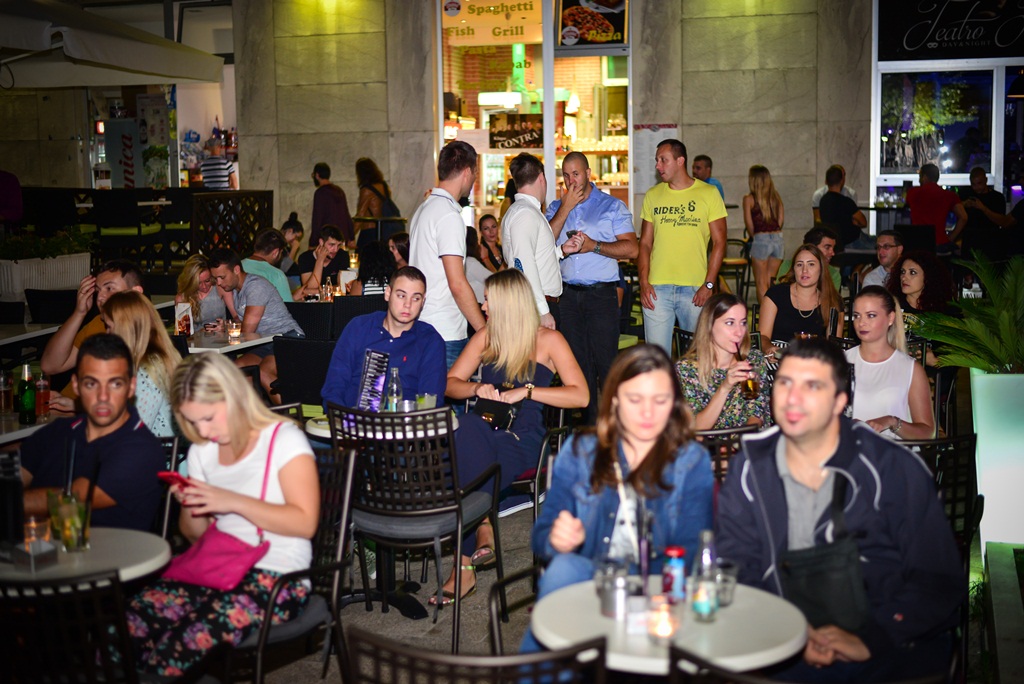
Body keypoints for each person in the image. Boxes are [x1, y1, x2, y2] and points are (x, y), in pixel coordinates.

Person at [717, 338, 962, 682]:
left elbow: (937, 580)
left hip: (884, 644)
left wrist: (872, 638)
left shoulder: (891, 468)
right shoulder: (750, 467)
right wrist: (788, 632)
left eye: (812, 386)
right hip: (783, 641)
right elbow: (737, 567)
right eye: (785, 383)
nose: (793, 398)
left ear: (839, 402)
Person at [126, 352, 319, 676]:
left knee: (180, 644)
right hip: (219, 564)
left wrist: (229, 500)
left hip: (278, 575)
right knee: (130, 623)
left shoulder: (283, 440)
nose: (204, 429)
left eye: (209, 417)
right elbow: (196, 535)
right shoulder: (204, 450)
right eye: (193, 421)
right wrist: (191, 503)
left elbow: (305, 522)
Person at [520, 344, 714, 653]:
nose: (647, 413)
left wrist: (661, 597)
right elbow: (541, 536)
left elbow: (691, 550)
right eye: (635, 400)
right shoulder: (581, 451)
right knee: (562, 568)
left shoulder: (691, 461)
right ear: (615, 402)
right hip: (594, 572)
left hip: (657, 580)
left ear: (675, 404)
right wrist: (557, 539)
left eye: (660, 400)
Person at [442, 269, 588, 605]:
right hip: (481, 430)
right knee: (468, 428)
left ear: (508, 303)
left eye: (489, 299)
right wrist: (477, 387)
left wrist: (529, 391)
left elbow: (581, 396)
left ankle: (469, 551)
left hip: (522, 439)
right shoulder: (486, 337)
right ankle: (480, 531)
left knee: (464, 455)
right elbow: (450, 384)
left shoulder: (549, 340)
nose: (483, 304)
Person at [20, 334, 164, 532]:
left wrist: (9, 502)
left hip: (110, 560)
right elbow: (14, 476)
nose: (102, 396)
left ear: (131, 387)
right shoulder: (57, 432)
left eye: (115, 384)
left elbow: (71, 500)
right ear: (76, 385)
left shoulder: (143, 450)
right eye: (91, 384)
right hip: (34, 555)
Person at [545, 151, 638, 422]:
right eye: (565, 175)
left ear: (588, 173)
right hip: (568, 296)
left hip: (601, 295)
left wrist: (593, 246)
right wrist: (565, 206)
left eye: (576, 173)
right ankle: (588, 425)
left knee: (606, 362)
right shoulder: (555, 207)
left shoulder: (611, 206)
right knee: (577, 363)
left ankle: (612, 425)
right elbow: (545, 242)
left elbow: (632, 248)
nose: (571, 180)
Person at [639, 139, 728, 353]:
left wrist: (708, 285)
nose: (658, 166)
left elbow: (720, 242)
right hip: (656, 290)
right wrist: (643, 282)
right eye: (657, 160)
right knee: (656, 360)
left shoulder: (708, 193)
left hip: (695, 290)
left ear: (680, 161)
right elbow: (644, 243)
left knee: (697, 359)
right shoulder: (653, 195)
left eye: (663, 160)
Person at [322, 266, 445, 410]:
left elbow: (431, 401)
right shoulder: (359, 328)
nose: (408, 304)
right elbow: (334, 387)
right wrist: (344, 422)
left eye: (416, 298)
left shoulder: (430, 341)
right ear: (388, 293)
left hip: (407, 426)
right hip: (352, 423)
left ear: (423, 302)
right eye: (401, 295)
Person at [408, 141, 486, 368]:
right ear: (467, 172)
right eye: (475, 174)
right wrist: (483, 331)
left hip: (422, 322)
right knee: (451, 400)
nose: (474, 181)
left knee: (430, 400)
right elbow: (458, 283)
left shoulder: (424, 208)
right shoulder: (448, 216)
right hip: (445, 330)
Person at [41, 260, 146, 401]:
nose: (100, 297)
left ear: (135, 293)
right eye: (97, 291)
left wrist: (75, 409)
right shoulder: (98, 323)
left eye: (109, 289)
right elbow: (49, 366)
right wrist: (79, 312)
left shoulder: (143, 333)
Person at [208, 249, 305, 398]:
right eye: (216, 279)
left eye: (222, 277)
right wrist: (227, 326)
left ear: (236, 270)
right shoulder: (235, 289)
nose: (219, 283)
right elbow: (242, 323)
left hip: (288, 338)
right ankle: (252, 416)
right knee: (236, 371)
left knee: (264, 372)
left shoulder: (255, 286)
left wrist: (227, 330)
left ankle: (289, 417)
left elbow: (247, 331)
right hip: (264, 342)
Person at [846, 286, 934, 440]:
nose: (861, 323)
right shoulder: (841, 362)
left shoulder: (910, 369)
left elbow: (927, 433)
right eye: (857, 316)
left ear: (890, 318)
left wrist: (892, 422)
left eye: (871, 315)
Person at [676, 293, 771, 430]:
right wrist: (725, 387)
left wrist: (738, 443)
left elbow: (756, 413)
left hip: (744, 445)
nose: (739, 332)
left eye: (743, 323)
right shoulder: (686, 369)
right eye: (730, 323)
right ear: (709, 325)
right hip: (708, 448)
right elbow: (696, 429)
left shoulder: (752, 360)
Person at [102, 291, 182, 438]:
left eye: (108, 326)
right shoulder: (161, 358)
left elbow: (133, 434)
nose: (106, 333)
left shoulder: (147, 372)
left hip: (159, 457)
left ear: (123, 329)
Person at [501, 152, 564, 331]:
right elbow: (524, 263)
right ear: (542, 178)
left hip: (534, 303)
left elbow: (532, 256)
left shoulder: (523, 211)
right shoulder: (525, 213)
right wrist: (543, 311)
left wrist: (560, 251)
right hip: (536, 305)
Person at [761, 244, 843, 357]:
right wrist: (769, 348)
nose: (804, 270)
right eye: (799, 265)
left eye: (811, 264)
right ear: (794, 269)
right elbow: (763, 336)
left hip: (814, 358)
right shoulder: (776, 294)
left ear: (821, 269)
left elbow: (834, 345)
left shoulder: (832, 300)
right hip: (777, 356)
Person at [742, 164, 786, 303]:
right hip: (778, 239)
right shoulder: (776, 197)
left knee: (761, 283)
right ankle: (773, 316)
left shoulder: (749, 199)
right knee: (771, 282)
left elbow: (749, 225)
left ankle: (765, 317)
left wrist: (754, 236)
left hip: (760, 239)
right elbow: (780, 221)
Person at [906, 163, 967, 254]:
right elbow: (964, 217)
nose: (919, 180)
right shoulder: (949, 195)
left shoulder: (913, 192)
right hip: (940, 243)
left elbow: (906, 205)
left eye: (920, 176)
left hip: (918, 243)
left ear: (924, 177)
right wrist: (951, 237)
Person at [959, 166, 1008, 262]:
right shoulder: (965, 193)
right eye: (973, 184)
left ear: (986, 180)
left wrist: (983, 208)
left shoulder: (997, 198)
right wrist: (963, 204)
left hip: (991, 240)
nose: (976, 187)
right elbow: (953, 209)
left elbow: (1002, 221)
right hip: (970, 239)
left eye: (979, 183)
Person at [819, 165, 871, 250]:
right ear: (842, 181)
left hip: (836, 244)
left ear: (826, 181)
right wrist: (855, 222)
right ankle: (858, 263)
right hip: (853, 243)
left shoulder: (822, 201)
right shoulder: (846, 202)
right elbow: (863, 222)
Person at [777, 226, 841, 293]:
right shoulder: (788, 265)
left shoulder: (833, 274)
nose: (833, 253)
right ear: (812, 247)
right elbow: (779, 293)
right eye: (827, 248)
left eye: (833, 248)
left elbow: (830, 300)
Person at [293, 224, 351, 298]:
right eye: (332, 245)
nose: (336, 249)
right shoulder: (305, 258)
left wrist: (318, 291)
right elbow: (309, 289)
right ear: (321, 242)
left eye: (339, 245)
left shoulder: (343, 256)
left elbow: (342, 288)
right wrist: (320, 260)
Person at [354, 157, 399, 248]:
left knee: (363, 260)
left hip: (368, 232)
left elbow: (360, 215)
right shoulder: (384, 187)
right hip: (382, 231)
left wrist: (349, 236)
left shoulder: (366, 190)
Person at [175, 254, 230, 328]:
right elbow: (183, 330)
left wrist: (225, 325)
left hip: (221, 337)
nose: (204, 286)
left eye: (207, 280)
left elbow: (237, 318)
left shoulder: (220, 288)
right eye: (198, 283)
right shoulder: (183, 298)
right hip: (196, 338)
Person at [242, 228, 296, 302]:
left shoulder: (237, 266)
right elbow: (286, 308)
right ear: (275, 253)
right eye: (281, 252)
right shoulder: (276, 275)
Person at [310, 162, 354, 247]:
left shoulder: (320, 193)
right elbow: (346, 215)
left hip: (328, 238)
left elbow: (317, 218)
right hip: (342, 236)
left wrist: (313, 241)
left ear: (317, 175)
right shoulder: (339, 191)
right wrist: (351, 236)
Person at [464, 226, 492, 305]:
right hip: (480, 305)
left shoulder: (464, 262)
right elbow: (495, 281)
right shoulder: (470, 262)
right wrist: (486, 258)